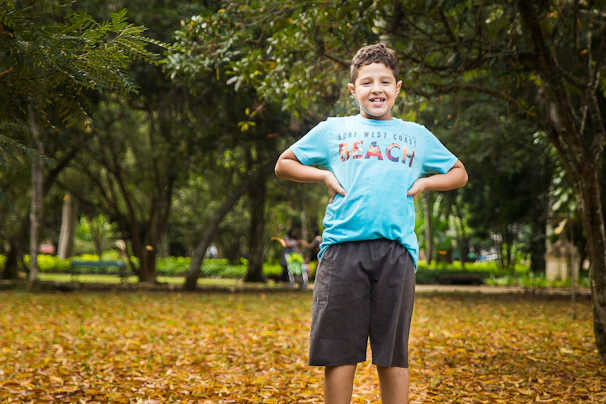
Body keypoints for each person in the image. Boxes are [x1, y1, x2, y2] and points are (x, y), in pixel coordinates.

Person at [274, 43, 468, 404]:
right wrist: (324, 178)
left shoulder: (417, 135)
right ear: (353, 91)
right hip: (341, 251)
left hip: (396, 252)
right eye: (366, 82)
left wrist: (425, 181)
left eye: (384, 81)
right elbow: (284, 163)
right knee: (339, 351)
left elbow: (459, 173)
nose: (375, 89)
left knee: (392, 352)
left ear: (397, 88)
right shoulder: (334, 130)